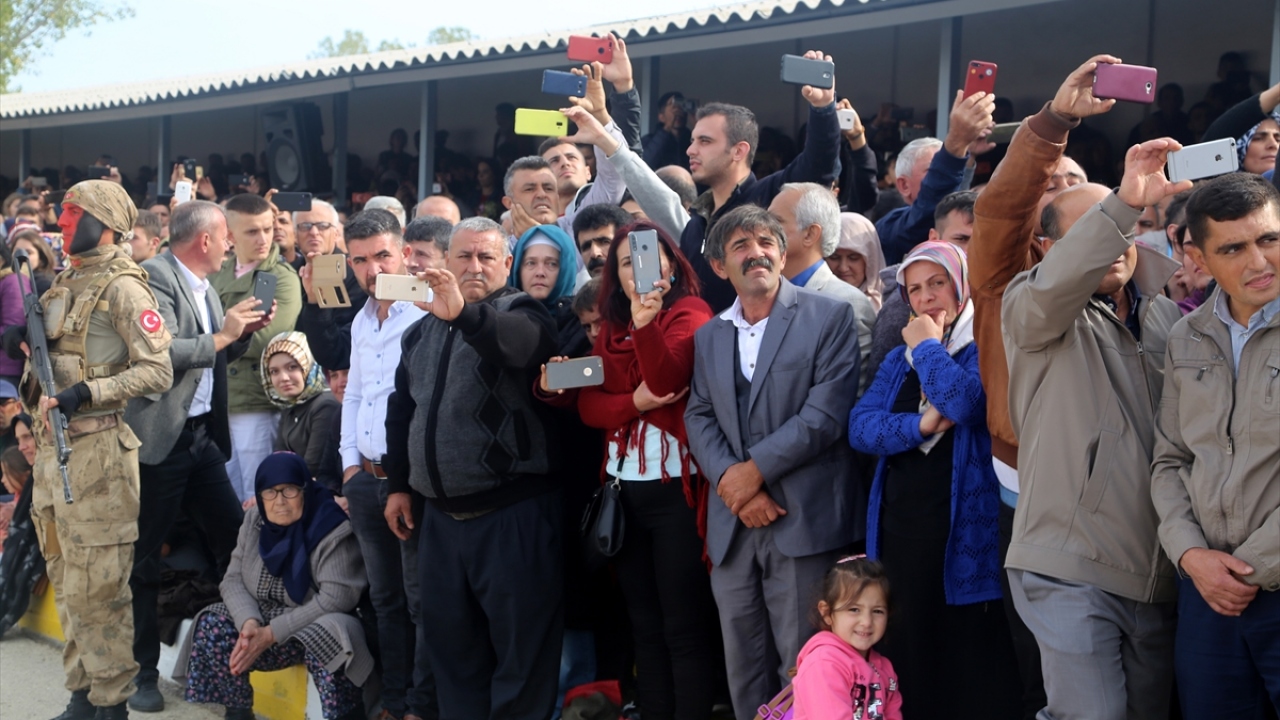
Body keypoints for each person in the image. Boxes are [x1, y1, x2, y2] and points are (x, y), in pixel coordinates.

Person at [1001, 137, 1193, 720]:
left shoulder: (1167, 316)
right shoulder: (1028, 305)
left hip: (1160, 573)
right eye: (1092, 231)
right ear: (1048, 248)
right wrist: (1123, 203)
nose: (1113, 241)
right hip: (1068, 564)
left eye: (1123, 230)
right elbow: (1056, 286)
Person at [967, 57, 1110, 718]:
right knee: (1046, 677)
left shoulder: (1156, 300)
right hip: (1030, 501)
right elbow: (1002, 207)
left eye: (1078, 185)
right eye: (1050, 190)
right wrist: (1054, 125)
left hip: (1132, 511)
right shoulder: (1006, 285)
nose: (1107, 239)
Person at [4, 179, 174, 720]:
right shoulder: (63, 285)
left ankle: (112, 702)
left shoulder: (126, 288)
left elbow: (158, 369)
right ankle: (81, 695)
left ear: (106, 223)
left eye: (77, 213)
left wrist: (89, 392)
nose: (67, 222)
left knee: (102, 587)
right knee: (67, 580)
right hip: (54, 458)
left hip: (98, 452)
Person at [685, 205, 863, 720]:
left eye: (766, 242)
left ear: (783, 255)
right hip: (734, 526)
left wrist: (751, 473)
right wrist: (732, 483)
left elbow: (826, 414)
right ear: (720, 267)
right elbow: (698, 415)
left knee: (807, 665)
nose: (756, 253)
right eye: (740, 246)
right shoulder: (709, 334)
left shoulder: (828, 316)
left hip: (804, 521)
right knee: (743, 668)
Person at [538, 220, 718, 720]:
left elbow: (665, 377)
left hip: (675, 493)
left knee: (683, 627)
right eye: (626, 260)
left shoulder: (691, 312)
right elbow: (591, 407)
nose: (640, 265)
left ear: (671, 262)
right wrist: (633, 400)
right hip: (623, 494)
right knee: (645, 628)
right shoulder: (610, 329)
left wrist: (645, 328)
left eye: (651, 253)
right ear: (614, 276)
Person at [383, 216, 561, 720]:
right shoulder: (419, 331)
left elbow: (518, 347)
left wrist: (463, 314)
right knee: (452, 655)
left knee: (521, 659)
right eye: (464, 256)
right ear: (446, 262)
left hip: (513, 516)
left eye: (486, 257)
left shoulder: (525, 312)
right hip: (439, 522)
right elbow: (403, 409)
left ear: (507, 263)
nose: (475, 266)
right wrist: (399, 486)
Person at [848, 241, 1019, 719]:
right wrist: (919, 427)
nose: (925, 298)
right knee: (912, 657)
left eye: (937, 283)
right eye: (914, 289)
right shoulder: (896, 360)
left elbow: (964, 402)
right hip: (904, 531)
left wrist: (925, 344)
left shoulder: (985, 342)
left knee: (970, 665)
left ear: (961, 286)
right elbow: (861, 428)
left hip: (965, 536)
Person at [124, 199, 268, 713]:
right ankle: (140, 674)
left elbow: (213, 349)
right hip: (162, 441)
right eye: (227, 235)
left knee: (235, 545)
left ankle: (235, 682)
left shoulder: (205, 284)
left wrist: (238, 336)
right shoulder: (154, 275)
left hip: (204, 439)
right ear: (204, 239)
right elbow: (158, 352)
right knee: (143, 557)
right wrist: (224, 334)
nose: (232, 244)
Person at [1150, 173, 1280, 717]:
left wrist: (1248, 566)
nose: (1259, 262)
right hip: (1207, 594)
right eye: (1233, 248)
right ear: (1197, 256)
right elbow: (1170, 460)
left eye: (1269, 239)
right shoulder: (1186, 336)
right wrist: (1191, 555)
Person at [177, 453, 369, 720]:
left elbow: (337, 598)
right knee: (212, 622)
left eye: (289, 490)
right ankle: (238, 712)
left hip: (313, 623)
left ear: (305, 489)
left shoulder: (331, 526)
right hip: (264, 625)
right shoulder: (254, 521)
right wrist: (249, 624)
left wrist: (272, 633)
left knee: (329, 634)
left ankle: (345, 716)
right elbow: (232, 579)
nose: (279, 501)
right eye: (270, 492)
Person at [336, 209, 434, 720]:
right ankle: (394, 703)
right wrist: (349, 467)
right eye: (360, 260)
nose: (372, 269)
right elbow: (354, 393)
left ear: (403, 254)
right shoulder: (360, 317)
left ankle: (420, 706)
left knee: (420, 602)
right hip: (365, 483)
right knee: (386, 601)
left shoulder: (426, 309)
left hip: (409, 482)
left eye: (382, 256)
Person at [679, 50, 841, 312]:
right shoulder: (694, 225)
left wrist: (823, 109)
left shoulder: (770, 197)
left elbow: (819, 165)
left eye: (705, 141)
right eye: (692, 140)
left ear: (739, 151)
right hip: (705, 349)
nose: (691, 150)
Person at [211, 193, 302, 502]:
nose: (264, 238)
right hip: (221, 398)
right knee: (227, 490)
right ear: (230, 236)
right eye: (252, 231)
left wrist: (218, 336)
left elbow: (268, 342)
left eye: (267, 228)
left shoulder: (279, 276)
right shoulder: (218, 273)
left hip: (256, 399)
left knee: (257, 492)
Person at [768, 182, 877, 395]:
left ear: (810, 234)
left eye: (776, 222)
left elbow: (844, 400)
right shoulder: (761, 295)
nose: (763, 229)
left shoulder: (846, 303)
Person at [874, 92, 995, 265]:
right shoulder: (892, 228)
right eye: (934, 171)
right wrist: (956, 142)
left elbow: (953, 201)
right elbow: (932, 206)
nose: (969, 250)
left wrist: (967, 154)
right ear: (904, 185)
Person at [793, 557, 901, 720]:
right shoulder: (823, 664)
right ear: (827, 612)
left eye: (877, 611)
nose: (866, 622)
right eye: (854, 609)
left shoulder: (885, 668)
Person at [295, 199, 369, 373]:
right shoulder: (289, 273)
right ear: (295, 235)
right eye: (305, 226)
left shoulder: (355, 272)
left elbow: (337, 345)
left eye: (322, 226)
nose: (314, 232)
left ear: (336, 233)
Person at [262, 332, 340, 478]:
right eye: (274, 371)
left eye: (292, 367)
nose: (283, 378)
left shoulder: (325, 406)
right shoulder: (290, 403)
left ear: (308, 366)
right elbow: (279, 458)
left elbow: (312, 466)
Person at [828, 213, 885, 311]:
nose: (843, 268)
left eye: (853, 258)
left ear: (871, 261)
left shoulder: (894, 305)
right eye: (834, 257)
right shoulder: (811, 303)